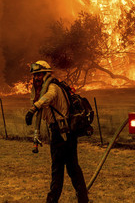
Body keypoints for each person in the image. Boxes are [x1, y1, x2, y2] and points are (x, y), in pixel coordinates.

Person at [25, 60, 89, 203]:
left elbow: (48, 97)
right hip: (63, 132)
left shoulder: (52, 86)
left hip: (62, 132)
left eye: (39, 74)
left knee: (58, 169)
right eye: (34, 75)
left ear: (46, 73)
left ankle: (52, 200)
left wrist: (33, 109)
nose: (36, 78)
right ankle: (83, 198)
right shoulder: (44, 88)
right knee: (72, 167)